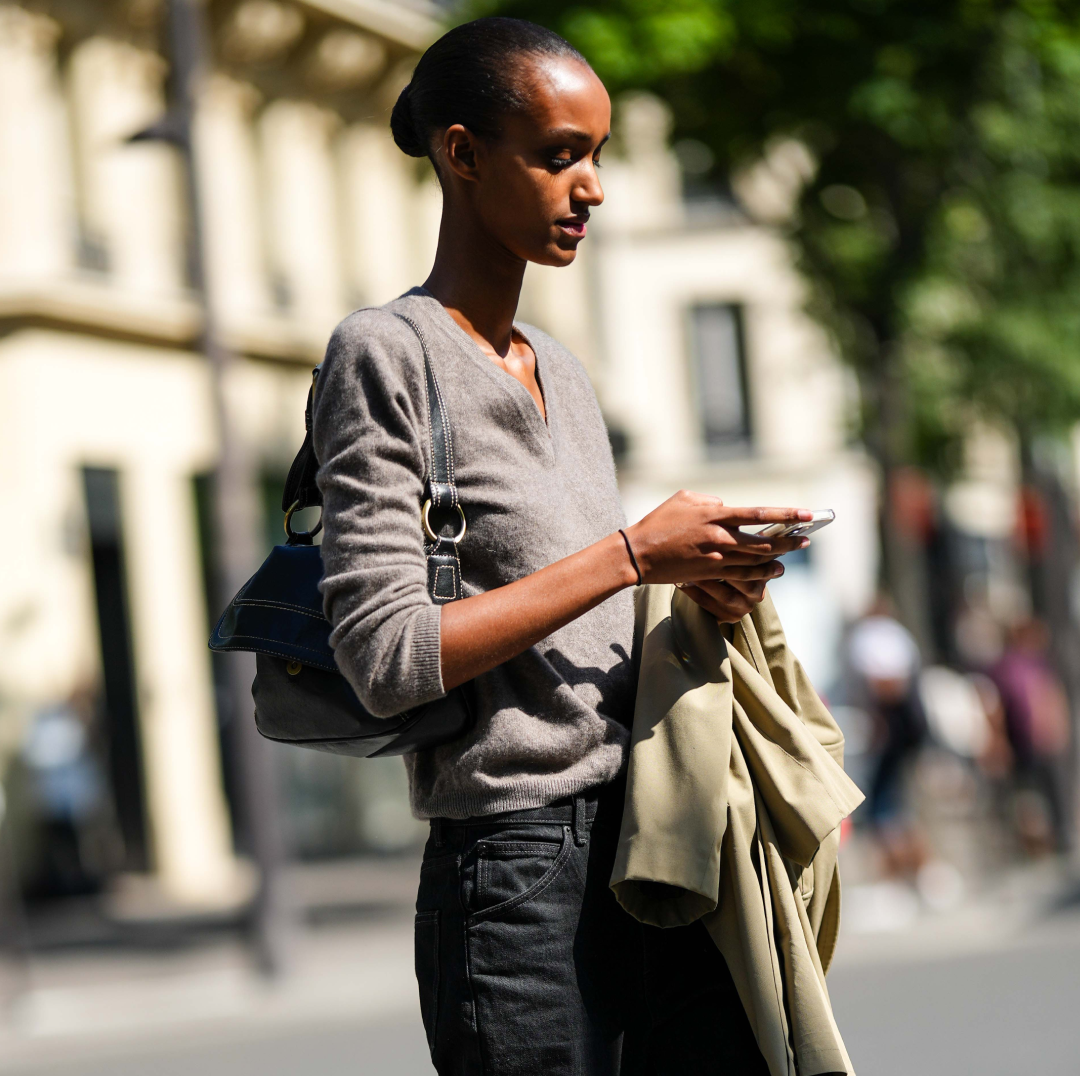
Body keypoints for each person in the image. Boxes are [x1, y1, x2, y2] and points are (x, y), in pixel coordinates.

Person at [313, 18, 811, 1074]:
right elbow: (388, 656)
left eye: (598, 154)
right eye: (558, 154)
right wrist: (633, 552)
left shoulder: (565, 369)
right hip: (512, 879)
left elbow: (586, 614)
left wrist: (700, 584)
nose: (591, 186)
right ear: (462, 153)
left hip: (654, 847)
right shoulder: (383, 355)